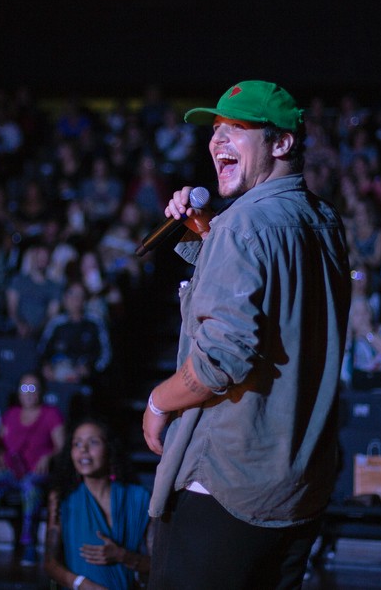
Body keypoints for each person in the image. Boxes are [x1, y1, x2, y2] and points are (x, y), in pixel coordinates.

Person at [142, 81, 351, 589]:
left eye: (237, 128)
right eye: (215, 130)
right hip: (297, 486)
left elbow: (221, 359)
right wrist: (207, 233)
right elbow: (280, 297)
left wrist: (158, 402)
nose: (217, 142)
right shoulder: (323, 219)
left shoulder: (245, 226)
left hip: (226, 486)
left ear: (281, 144)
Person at [44, 418, 151, 590]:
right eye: (77, 444)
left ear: (110, 449)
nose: (83, 450)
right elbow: (50, 563)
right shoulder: (62, 498)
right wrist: (82, 584)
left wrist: (123, 556)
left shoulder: (140, 497)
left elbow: (159, 565)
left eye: (93, 442)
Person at [0, 372, 66, 566]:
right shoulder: (11, 414)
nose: (29, 392)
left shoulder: (51, 414)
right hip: (10, 469)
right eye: (24, 388)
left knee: (30, 489)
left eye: (33, 388)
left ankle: (28, 543)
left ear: (41, 391)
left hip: (35, 472)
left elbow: (62, 446)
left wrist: (48, 456)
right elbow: (1, 444)